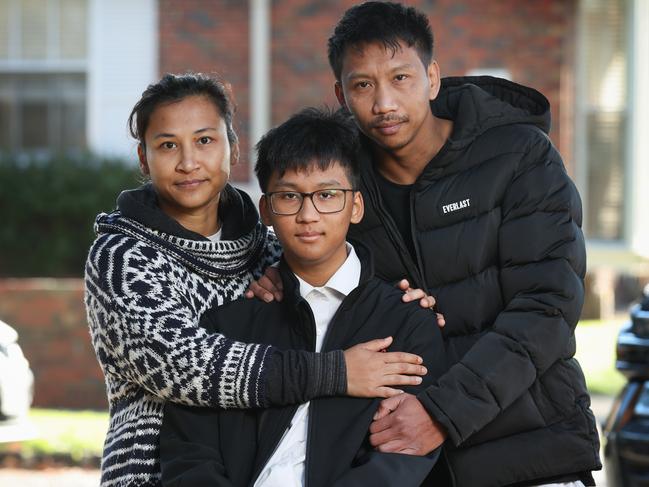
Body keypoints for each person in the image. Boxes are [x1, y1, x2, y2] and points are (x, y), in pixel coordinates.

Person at [254, 2, 602, 485]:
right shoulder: (347, 186)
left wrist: (442, 412)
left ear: (433, 78)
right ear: (341, 95)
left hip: (531, 448)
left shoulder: (520, 156)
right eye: (362, 85)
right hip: (407, 465)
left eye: (401, 78)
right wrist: (277, 267)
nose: (384, 104)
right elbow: (300, 225)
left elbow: (548, 307)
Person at [84, 73, 432, 487]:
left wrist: (407, 301)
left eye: (205, 140)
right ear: (144, 159)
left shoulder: (267, 248)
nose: (189, 162)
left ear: (232, 147)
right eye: (167, 145)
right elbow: (190, 366)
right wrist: (337, 372)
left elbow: (324, 278)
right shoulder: (122, 258)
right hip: (149, 474)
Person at [159, 107, 446, 487]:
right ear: (267, 210)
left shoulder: (407, 321)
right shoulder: (227, 326)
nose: (308, 214)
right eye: (290, 196)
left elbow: (399, 462)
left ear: (355, 206)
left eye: (327, 195)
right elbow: (189, 454)